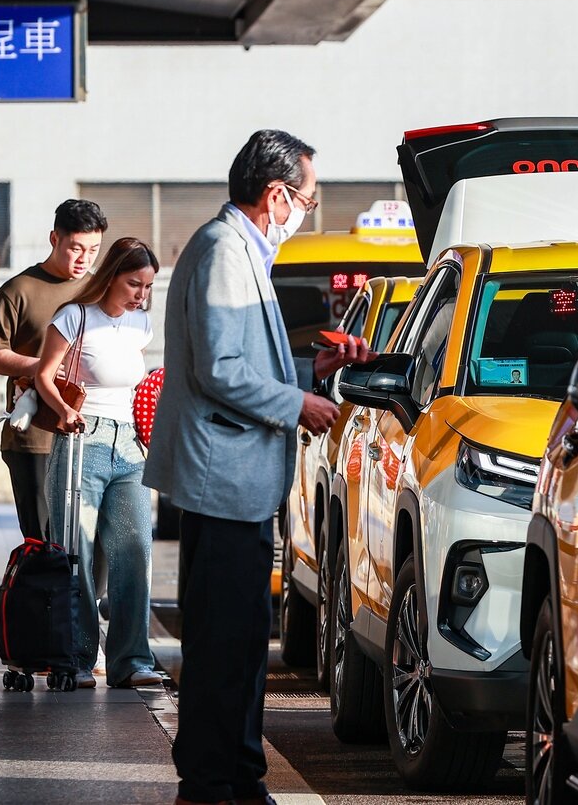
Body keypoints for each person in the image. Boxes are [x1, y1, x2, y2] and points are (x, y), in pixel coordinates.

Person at [145, 129, 372, 805]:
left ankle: (237, 773)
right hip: (223, 483)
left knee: (241, 643)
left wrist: (313, 370)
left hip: (237, 483)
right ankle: (214, 781)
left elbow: (244, 362)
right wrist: (297, 401)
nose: (304, 209)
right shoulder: (223, 251)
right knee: (221, 645)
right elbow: (220, 370)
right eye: (304, 198)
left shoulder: (243, 251)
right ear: (274, 195)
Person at [35, 237, 161, 691]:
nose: (140, 295)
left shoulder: (141, 325)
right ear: (111, 277)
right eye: (133, 284)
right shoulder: (74, 317)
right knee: (78, 552)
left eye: (147, 286)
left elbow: (136, 380)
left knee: (135, 549)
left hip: (128, 444)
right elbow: (44, 375)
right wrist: (65, 411)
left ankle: (132, 660)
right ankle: (79, 658)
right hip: (81, 441)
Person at [0, 199, 106, 541]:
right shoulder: (19, 290)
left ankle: (87, 598)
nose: (85, 259)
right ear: (54, 239)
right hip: (35, 438)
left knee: (90, 541)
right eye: (76, 248)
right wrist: (40, 367)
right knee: (44, 543)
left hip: (89, 434)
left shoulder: (99, 291)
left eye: (93, 250)